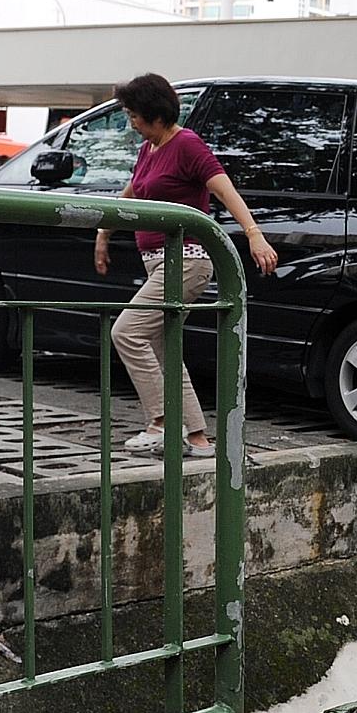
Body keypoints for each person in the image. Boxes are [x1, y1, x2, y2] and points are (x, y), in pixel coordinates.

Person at [95, 73, 277, 457]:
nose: (130, 122)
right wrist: (104, 233)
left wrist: (254, 233)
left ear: (155, 114)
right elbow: (131, 195)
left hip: (187, 261)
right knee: (163, 349)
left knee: (126, 332)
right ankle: (197, 438)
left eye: (133, 115)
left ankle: (161, 422)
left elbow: (224, 189)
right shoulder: (150, 148)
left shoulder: (187, 145)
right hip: (158, 264)